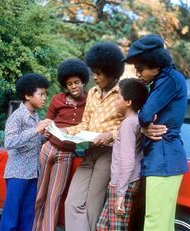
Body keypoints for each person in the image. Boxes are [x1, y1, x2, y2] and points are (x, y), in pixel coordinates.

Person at [123, 34, 189, 231]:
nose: (138, 74)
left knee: (154, 222)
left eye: (141, 69)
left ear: (156, 65)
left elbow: (145, 115)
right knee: (164, 223)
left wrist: (144, 124)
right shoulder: (167, 79)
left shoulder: (168, 79)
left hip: (163, 159)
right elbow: (145, 121)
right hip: (166, 158)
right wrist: (144, 128)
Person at [64, 42, 125, 231]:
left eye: (99, 72)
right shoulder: (92, 92)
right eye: (93, 72)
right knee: (72, 202)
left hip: (109, 153)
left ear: (113, 71)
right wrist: (66, 131)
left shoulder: (125, 92)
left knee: (93, 205)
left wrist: (112, 134)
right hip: (90, 151)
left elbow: (133, 126)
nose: (94, 77)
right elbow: (85, 124)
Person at [32, 59, 90, 231]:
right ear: (65, 85)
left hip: (66, 154)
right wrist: (46, 130)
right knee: (39, 194)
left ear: (83, 81)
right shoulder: (58, 99)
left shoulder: (89, 102)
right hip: (48, 148)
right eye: (69, 83)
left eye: (77, 82)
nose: (73, 86)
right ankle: (32, 227)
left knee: (54, 197)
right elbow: (47, 121)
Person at [0, 73, 52, 231]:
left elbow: (31, 142)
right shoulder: (16, 117)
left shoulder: (36, 116)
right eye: (41, 94)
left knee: (27, 216)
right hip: (17, 174)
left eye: (45, 94)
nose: (44, 98)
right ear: (28, 95)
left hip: (32, 174)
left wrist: (44, 137)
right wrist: (36, 130)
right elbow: (9, 142)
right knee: (11, 217)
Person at [96, 78, 148, 231]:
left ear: (128, 102)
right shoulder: (136, 121)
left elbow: (127, 159)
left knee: (117, 227)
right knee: (102, 226)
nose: (115, 101)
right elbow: (129, 148)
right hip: (126, 181)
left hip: (122, 182)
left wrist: (120, 194)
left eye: (118, 97)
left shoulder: (128, 124)